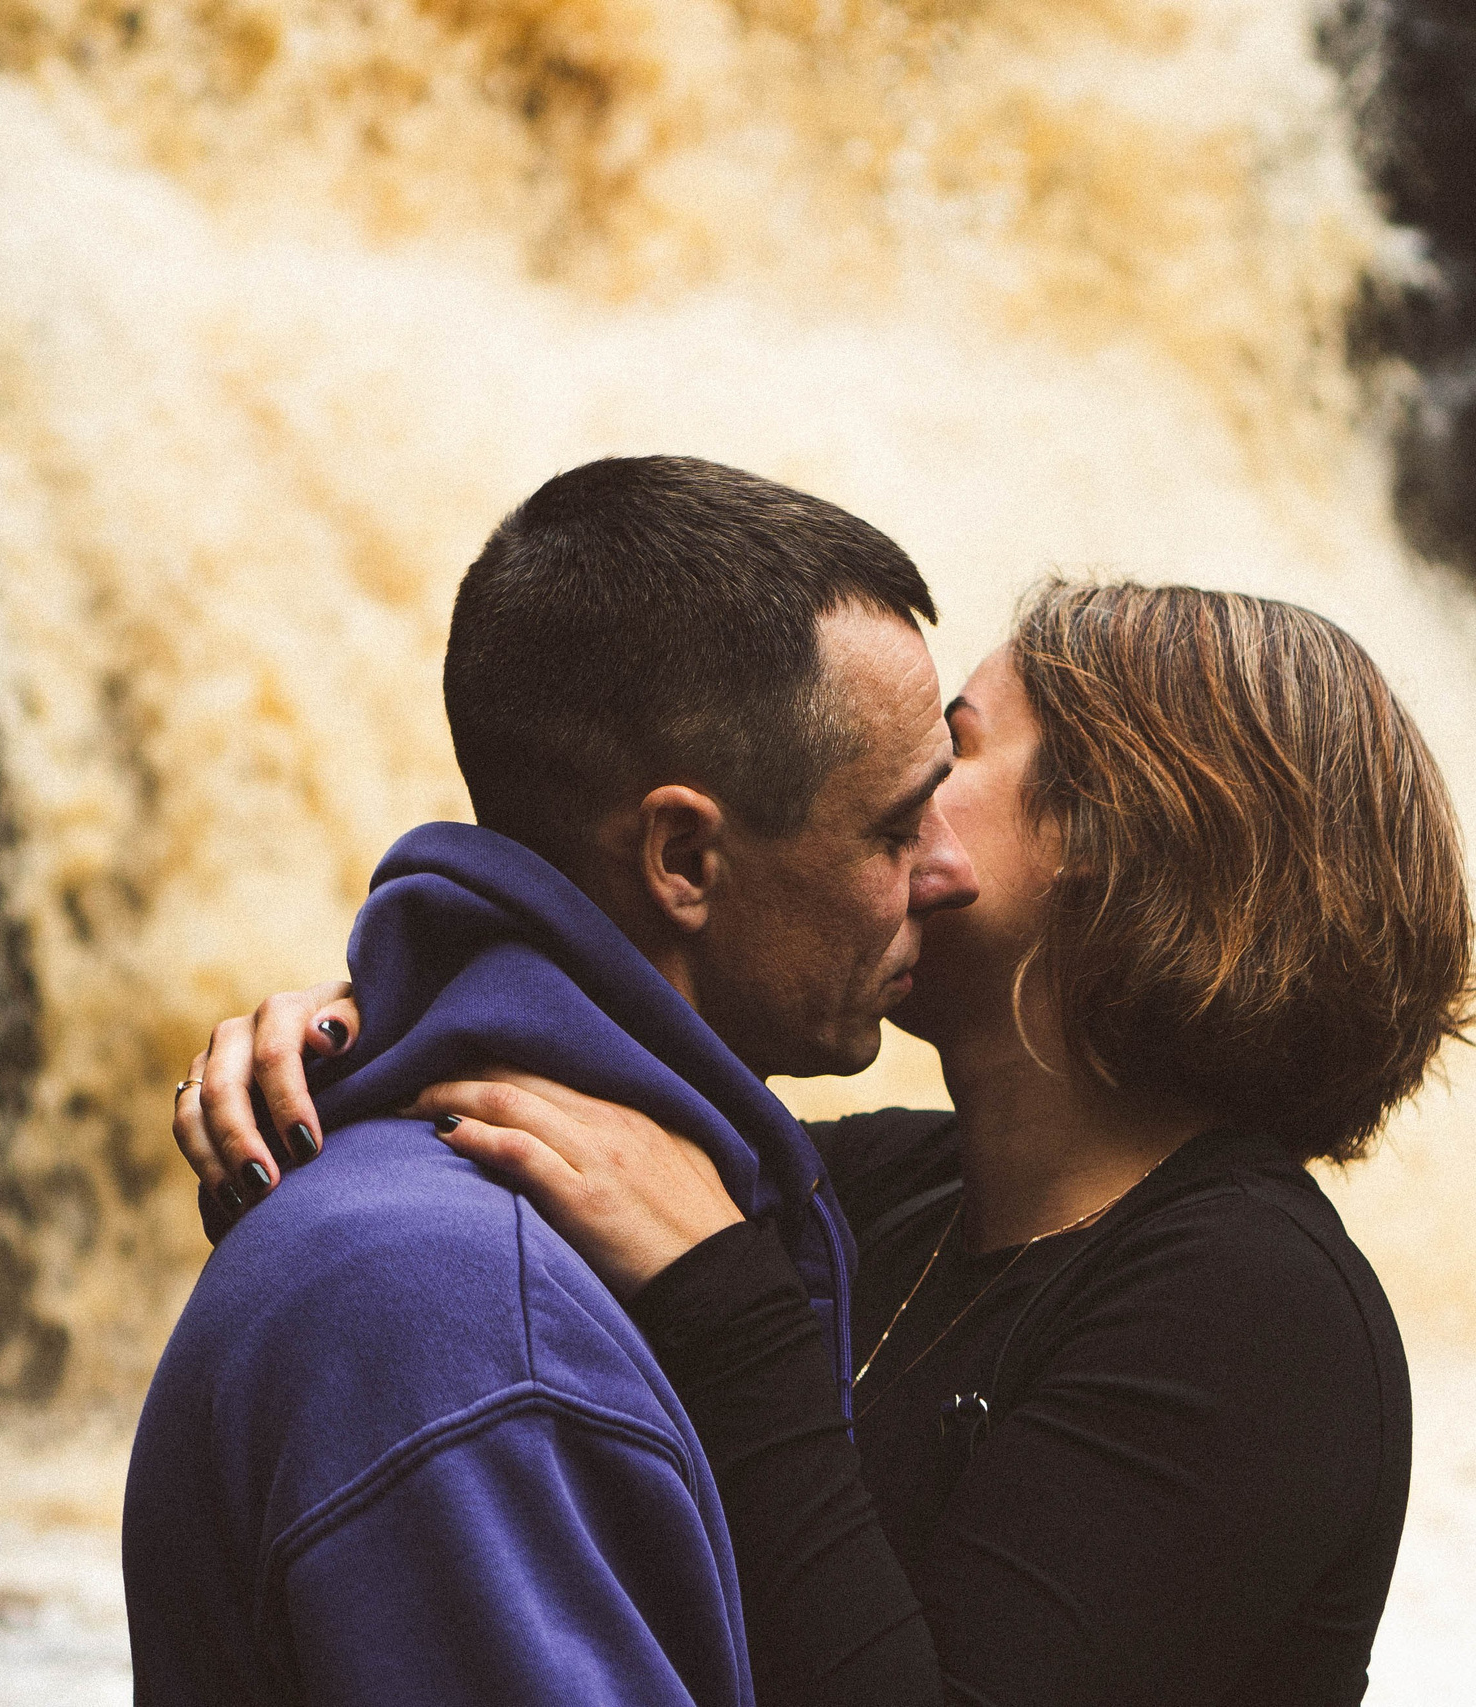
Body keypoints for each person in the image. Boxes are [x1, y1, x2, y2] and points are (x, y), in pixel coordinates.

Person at [185, 579, 1476, 1705]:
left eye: (953, 752)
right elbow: (569, 1118)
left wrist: (727, 1305)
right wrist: (354, 1036)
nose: (900, 786)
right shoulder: (893, 1189)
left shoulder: (1254, 1303)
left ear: (1115, 840)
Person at [124, 455, 979, 1707]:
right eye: (894, 829)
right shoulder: (473, 1328)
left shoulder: (555, 1225)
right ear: (683, 855)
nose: (940, 872)